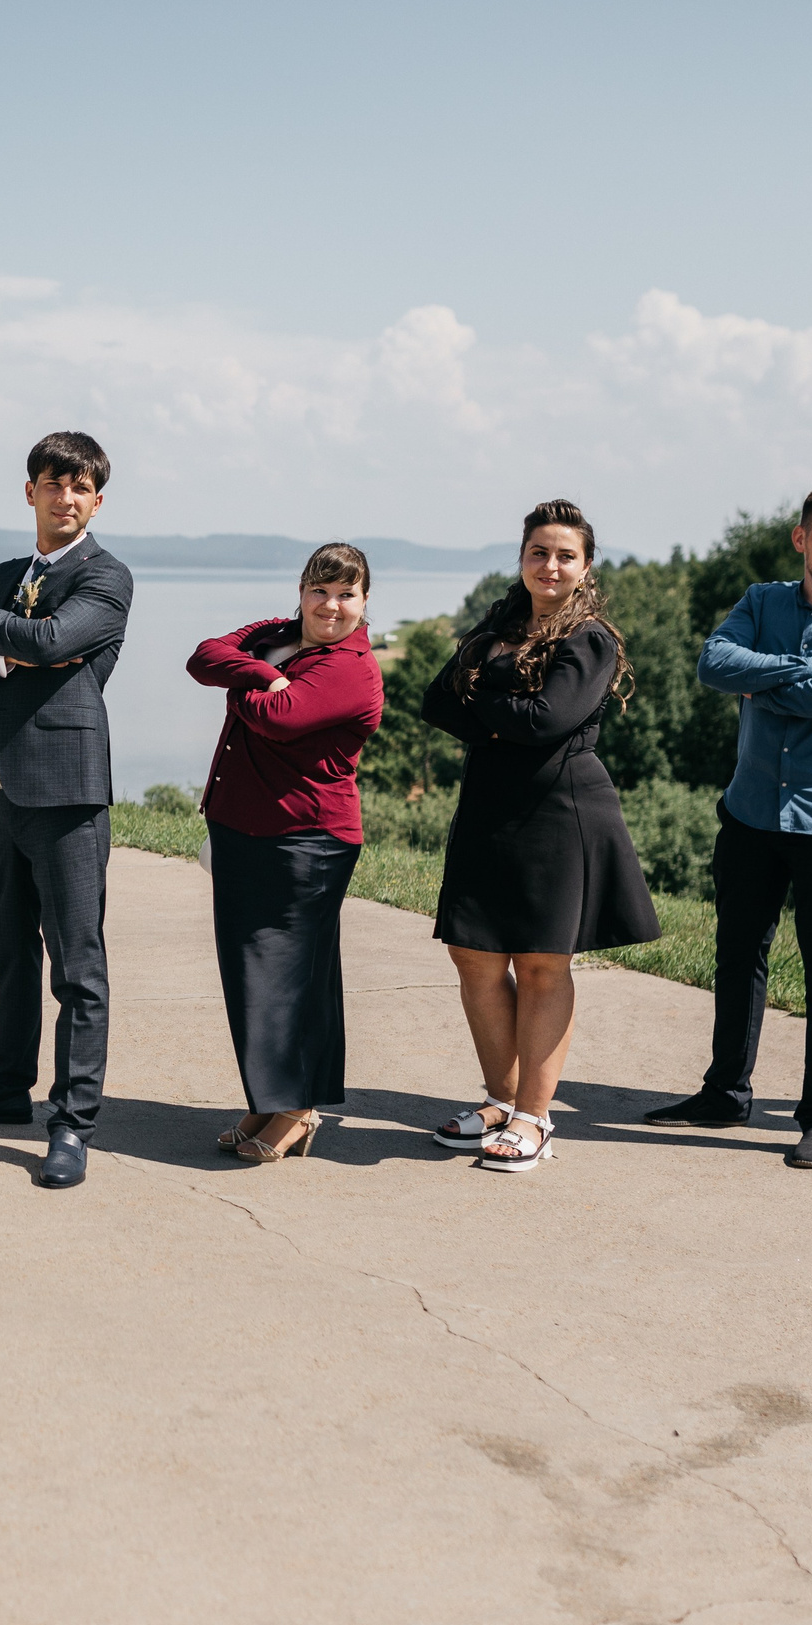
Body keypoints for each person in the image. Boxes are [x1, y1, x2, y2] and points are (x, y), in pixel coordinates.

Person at [646, 485, 812, 1169]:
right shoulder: (761, 601)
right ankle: (724, 1091)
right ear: (802, 539)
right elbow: (712, 663)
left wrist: (761, 679)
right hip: (751, 811)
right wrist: (803, 667)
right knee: (738, 956)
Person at [418, 502, 662, 1173]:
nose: (549, 566)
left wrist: (487, 706)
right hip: (488, 809)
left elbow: (549, 719)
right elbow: (436, 701)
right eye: (538, 552)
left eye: (564, 555)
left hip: (560, 813)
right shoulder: (497, 624)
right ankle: (500, 1099)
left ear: (584, 567)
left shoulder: (590, 639)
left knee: (541, 961)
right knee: (473, 955)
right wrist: (504, 715)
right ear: (522, 557)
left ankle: (534, 1116)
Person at [0, 430, 135, 1189]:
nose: (66, 497)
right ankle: (5, 1086)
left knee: (78, 967)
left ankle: (72, 1123)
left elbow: (59, 640)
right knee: (11, 950)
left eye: (80, 488)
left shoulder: (107, 576)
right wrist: (3, 646)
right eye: (54, 484)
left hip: (68, 794)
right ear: (31, 491)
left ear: (96, 500)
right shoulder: (1, 571)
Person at [187, 542, 385, 1163]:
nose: (331, 605)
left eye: (345, 594)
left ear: (364, 602)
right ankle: (267, 1099)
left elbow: (280, 717)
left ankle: (298, 1110)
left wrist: (250, 683)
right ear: (300, 592)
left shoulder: (352, 667)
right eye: (319, 591)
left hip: (307, 839)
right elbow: (203, 657)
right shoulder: (275, 635)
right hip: (242, 828)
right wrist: (261, 670)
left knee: (291, 980)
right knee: (251, 977)